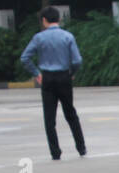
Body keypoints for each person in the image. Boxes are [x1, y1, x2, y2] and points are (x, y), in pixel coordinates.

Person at [20, 6, 85, 160]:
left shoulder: (39, 38)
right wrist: (72, 73)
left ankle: (55, 152)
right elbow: (77, 60)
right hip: (64, 77)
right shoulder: (68, 36)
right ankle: (81, 147)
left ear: (44, 20)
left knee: (49, 117)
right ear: (59, 19)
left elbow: (25, 58)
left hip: (47, 78)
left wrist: (36, 73)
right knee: (71, 113)